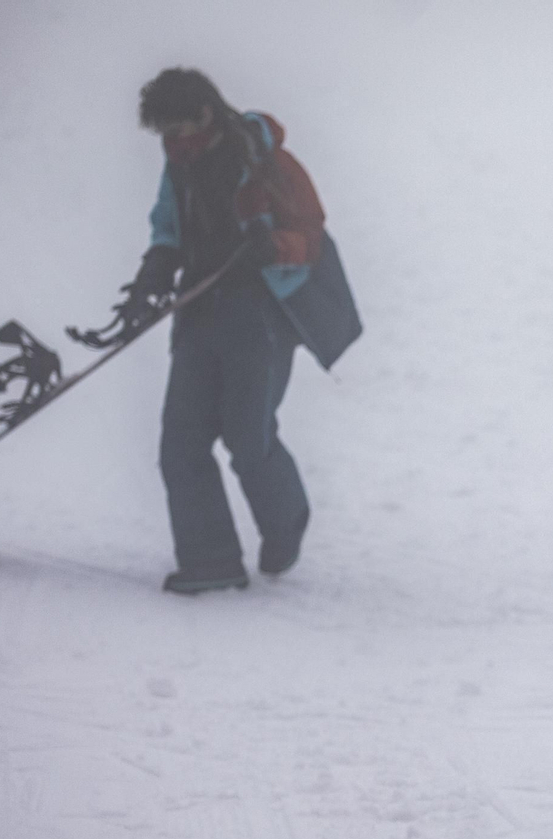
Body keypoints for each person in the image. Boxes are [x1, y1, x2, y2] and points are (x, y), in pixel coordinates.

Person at [118, 68, 360, 594]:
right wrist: (156, 268)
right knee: (180, 443)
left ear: (206, 113)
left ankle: (286, 522)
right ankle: (211, 562)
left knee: (247, 438)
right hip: (200, 313)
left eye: (178, 130)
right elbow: (168, 225)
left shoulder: (263, 160)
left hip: (260, 318)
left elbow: (311, 235)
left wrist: (273, 247)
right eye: (164, 134)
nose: (172, 144)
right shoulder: (179, 162)